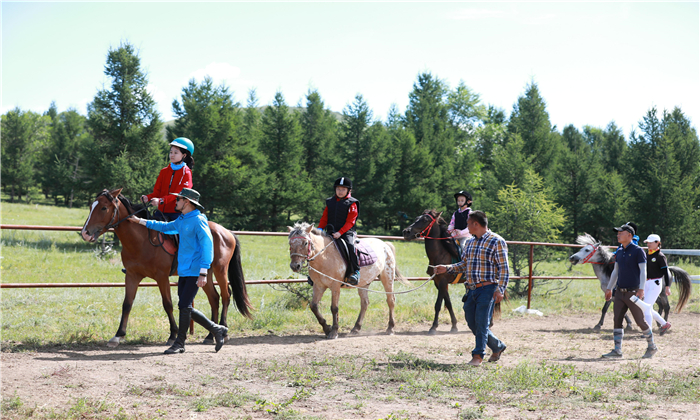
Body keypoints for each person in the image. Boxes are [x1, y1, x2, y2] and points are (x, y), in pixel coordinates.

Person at [128, 188, 227, 354]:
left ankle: (180, 343)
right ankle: (217, 329)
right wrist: (140, 221)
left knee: (184, 305)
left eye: (178, 200)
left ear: (186, 202)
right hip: (184, 270)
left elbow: (207, 246)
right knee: (185, 306)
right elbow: (165, 227)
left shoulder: (198, 221)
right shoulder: (182, 220)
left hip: (196, 270)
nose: (175, 202)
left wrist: (203, 272)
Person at [434, 210, 509, 367]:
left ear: (476, 224)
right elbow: (464, 264)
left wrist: (500, 289)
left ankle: (478, 356)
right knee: (471, 322)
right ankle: (497, 346)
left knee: (481, 323)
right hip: (471, 289)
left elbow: (504, 268)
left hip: (488, 289)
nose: (466, 226)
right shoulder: (470, 242)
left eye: (468, 224)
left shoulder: (497, 241)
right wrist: (446, 268)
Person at [602, 223, 657, 359]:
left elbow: (643, 271)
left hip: (633, 293)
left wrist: (641, 288)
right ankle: (617, 350)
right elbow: (615, 271)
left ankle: (652, 346)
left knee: (640, 321)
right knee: (617, 320)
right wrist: (609, 288)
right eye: (618, 232)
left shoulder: (638, 251)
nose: (618, 234)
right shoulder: (619, 251)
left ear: (630, 235)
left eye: (621, 232)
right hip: (620, 292)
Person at [317, 177, 360, 285]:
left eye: (343, 189)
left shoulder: (352, 203)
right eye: (338, 189)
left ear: (348, 190)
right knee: (315, 246)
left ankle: (355, 271)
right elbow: (324, 218)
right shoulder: (330, 202)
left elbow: (351, 221)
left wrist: (340, 233)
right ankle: (314, 274)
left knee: (351, 246)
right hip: (331, 231)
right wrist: (318, 230)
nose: (340, 192)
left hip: (346, 232)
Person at [142, 137, 195, 221]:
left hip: (178, 213)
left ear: (184, 155)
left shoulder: (186, 173)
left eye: (175, 153)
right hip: (160, 212)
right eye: (171, 152)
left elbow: (178, 194)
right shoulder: (164, 171)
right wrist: (147, 198)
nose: (172, 155)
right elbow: (157, 192)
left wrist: (161, 200)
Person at [643, 233, 672, 335]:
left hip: (655, 284)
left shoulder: (660, 256)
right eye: (648, 243)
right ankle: (664, 324)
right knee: (647, 308)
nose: (649, 244)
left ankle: (648, 331)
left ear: (657, 243)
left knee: (645, 307)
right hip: (647, 283)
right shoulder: (647, 254)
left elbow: (665, 272)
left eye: (651, 243)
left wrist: (667, 286)